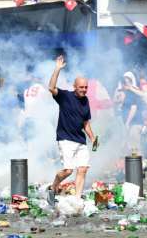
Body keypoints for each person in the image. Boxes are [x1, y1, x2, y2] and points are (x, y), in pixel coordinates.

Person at [47, 55, 97, 206]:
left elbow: (86, 123)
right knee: (68, 171)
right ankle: (54, 186)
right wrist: (57, 69)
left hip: (80, 140)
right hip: (65, 138)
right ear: (75, 87)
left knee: (83, 169)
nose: (84, 90)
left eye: (86, 87)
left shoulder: (86, 101)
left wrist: (93, 138)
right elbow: (51, 88)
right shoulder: (65, 96)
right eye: (81, 87)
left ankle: (77, 200)